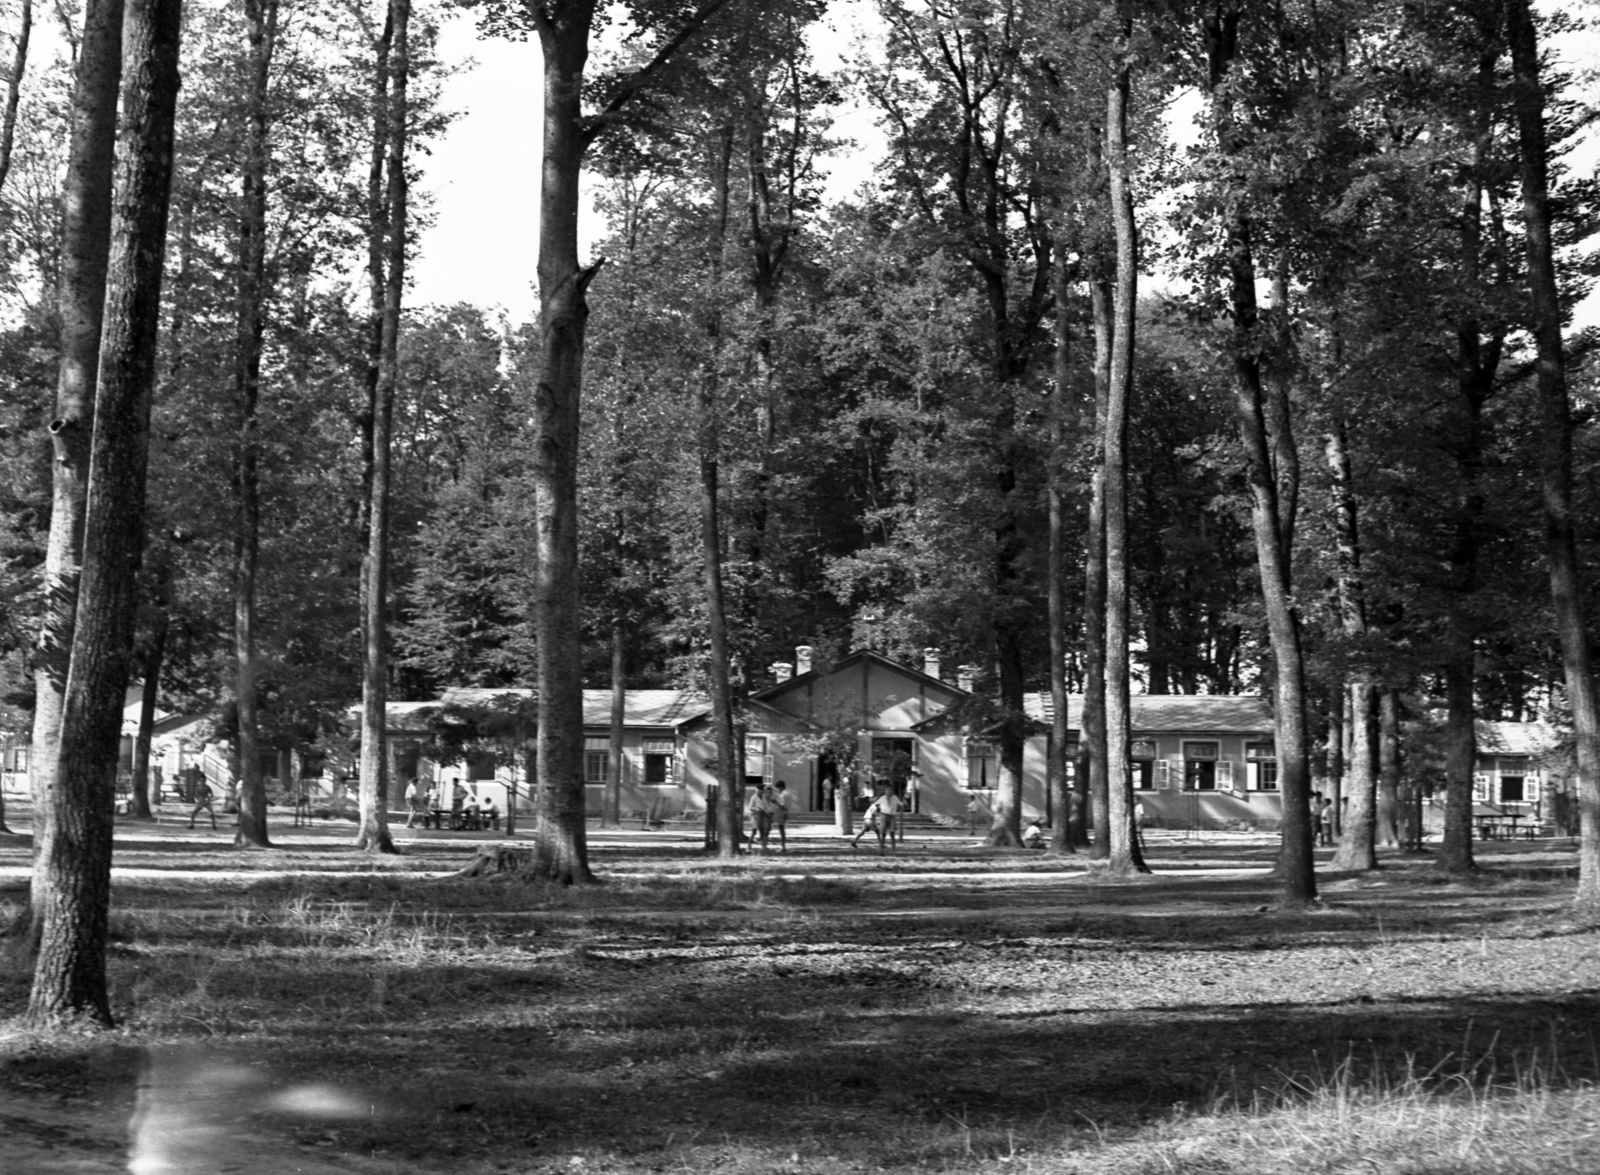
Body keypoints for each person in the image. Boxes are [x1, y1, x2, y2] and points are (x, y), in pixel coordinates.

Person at [851, 786, 902, 855]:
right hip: (869, 819)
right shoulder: (875, 806)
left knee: (862, 832)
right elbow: (873, 815)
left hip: (865, 819)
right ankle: (881, 844)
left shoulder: (873, 805)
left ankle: (854, 841)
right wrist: (876, 822)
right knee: (878, 832)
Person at [746, 784, 774, 851]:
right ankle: (749, 846)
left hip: (763, 815)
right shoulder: (754, 797)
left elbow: (766, 806)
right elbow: (749, 807)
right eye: (758, 790)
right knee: (754, 831)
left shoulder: (764, 797)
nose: (759, 791)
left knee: (763, 831)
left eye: (761, 790)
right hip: (756, 816)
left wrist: (769, 812)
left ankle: (763, 846)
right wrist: (756, 809)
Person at [770, 781, 792, 852]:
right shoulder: (788, 793)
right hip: (785, 812)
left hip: (781, 812)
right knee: (782, 829)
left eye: (777, 788)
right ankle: (783, 846)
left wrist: (775, 802)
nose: (777, 790)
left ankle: (783, 847)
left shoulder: (782, 795)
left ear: (780, 787)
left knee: (781, 829)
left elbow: (782, 806)